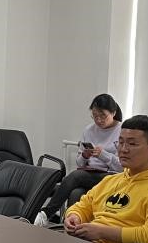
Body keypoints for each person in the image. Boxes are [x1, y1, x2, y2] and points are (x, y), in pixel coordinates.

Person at [62, 114, 148, 243]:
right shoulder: (111, 180)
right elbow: (83, 206)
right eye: (120, 142)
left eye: (132, 144)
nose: (123, 149)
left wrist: (101, 232)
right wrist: (74, 216)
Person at [39, 94, 124, 225]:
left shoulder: (122, 131)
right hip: (89, 174)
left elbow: (123, 166)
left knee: (75, 176)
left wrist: (103, 155)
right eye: (95, 116)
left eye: (103, 116)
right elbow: (79, 163)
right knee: (76, 193)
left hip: (112, 177)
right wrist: (84, 156)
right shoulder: (89, 130)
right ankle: (70, 228)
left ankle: (46, 213)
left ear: (113, 112)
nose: (99, 120)